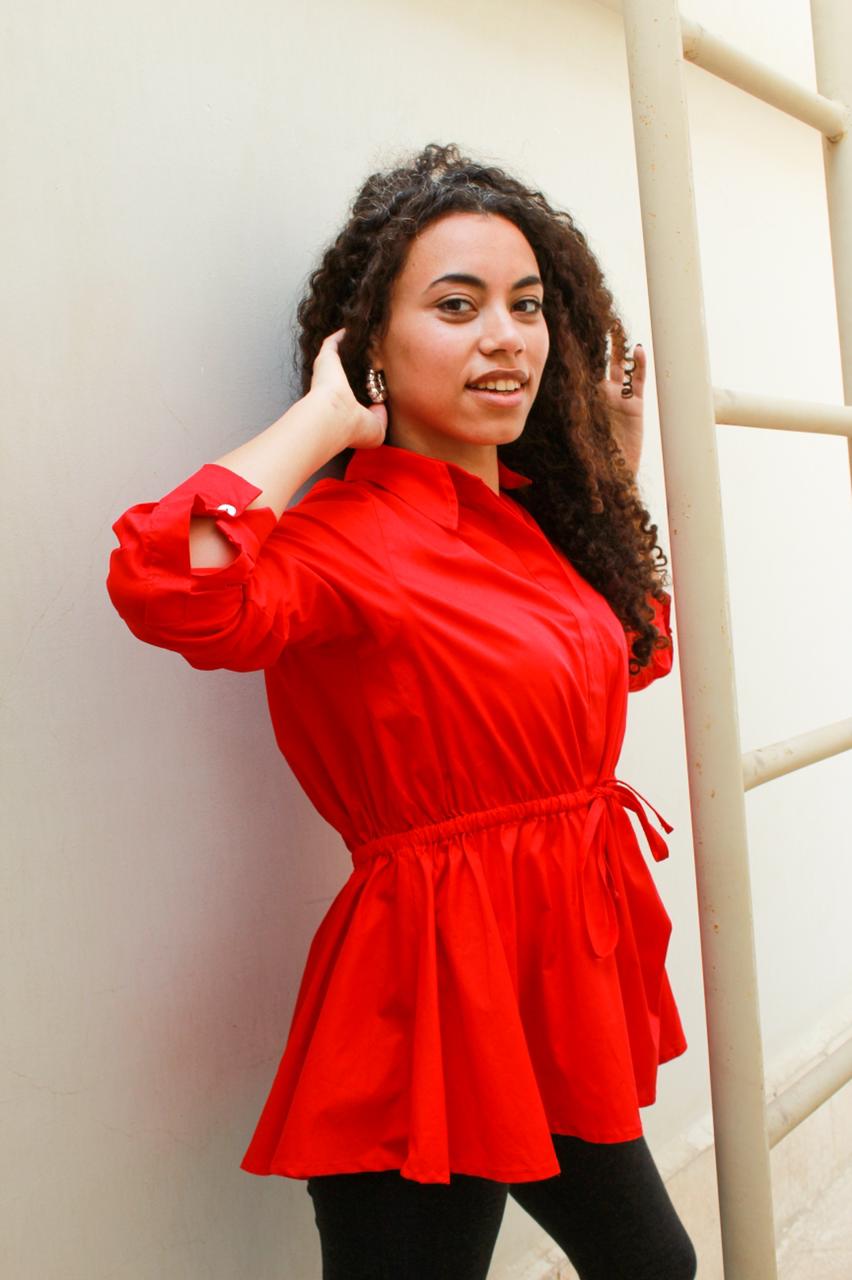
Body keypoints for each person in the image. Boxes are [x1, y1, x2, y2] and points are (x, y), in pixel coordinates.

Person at [106, 142, 697, 1279]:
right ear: (370, 345)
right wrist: (324, 422)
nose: (506, 336)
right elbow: (168, 580)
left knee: (655, 1268)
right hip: (428, 1001)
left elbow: (624, 660)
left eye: (527, 305)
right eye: (457, 305)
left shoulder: (532, 520)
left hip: (552, 991)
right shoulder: (342, 540)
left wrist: (612, 478)